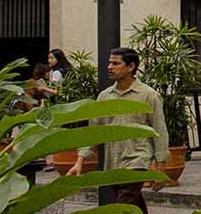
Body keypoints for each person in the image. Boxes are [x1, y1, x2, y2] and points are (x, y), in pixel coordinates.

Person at [67, 46, 168, 213]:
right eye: (109, 63)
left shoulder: (149, 96)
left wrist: (161, 166)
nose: (109, 67)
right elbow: (93, 132)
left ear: (131, 67)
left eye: (115, 63)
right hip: (113, 163)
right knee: (133, 206)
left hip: (137, 160)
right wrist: (80, 160)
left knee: (120, 207)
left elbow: (159, 130)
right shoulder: (104, 96)